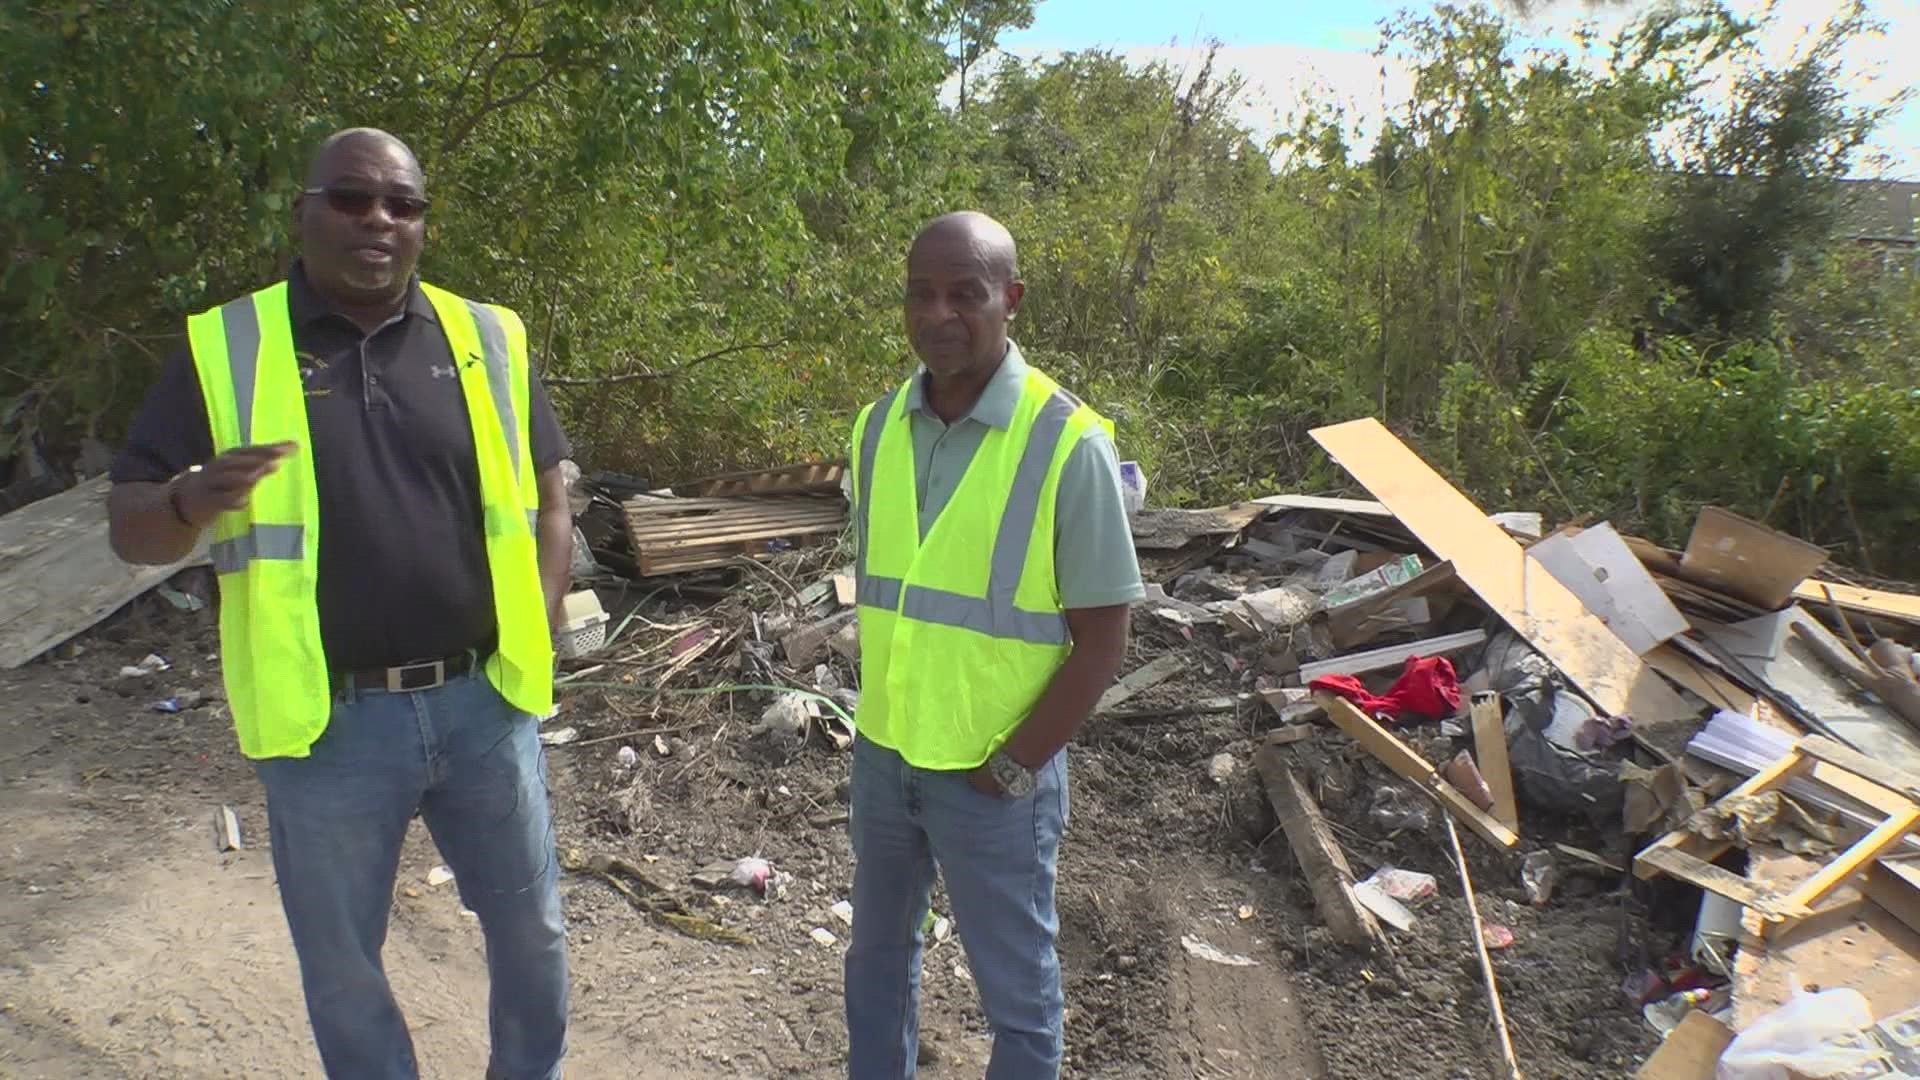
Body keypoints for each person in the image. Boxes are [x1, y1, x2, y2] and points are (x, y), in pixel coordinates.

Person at [107, 128, 572, 1080]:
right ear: (304, 214)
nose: (379, 221)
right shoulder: (229, 347)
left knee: (533, 934)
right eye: (354, 199)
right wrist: (190, 500)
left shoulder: (484, 336)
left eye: (402, 205)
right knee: (344, 966)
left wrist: (545, 614)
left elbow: (550, 490)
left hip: (484, 705)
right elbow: (128, 526)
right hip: (328, 729)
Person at [843, 210, 1144, 1078]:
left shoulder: (1066, 442)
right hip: (888, 755)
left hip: (996, 779)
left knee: (1016, 1001)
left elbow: (1104, 637)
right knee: (876, 971)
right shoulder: (876, 431)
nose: (939, 314)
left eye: (964, 294)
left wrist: (1016, 764)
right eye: (920, 294)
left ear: (1009, 300)